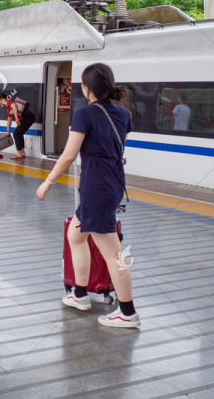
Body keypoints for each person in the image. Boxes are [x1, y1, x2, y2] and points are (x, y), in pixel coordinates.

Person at [36, 63, 139, 328]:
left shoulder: (85, 114)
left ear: (86, 88)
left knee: (113, 253)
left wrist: (48, 181)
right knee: (75, 235)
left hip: (96, 187)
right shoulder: (123, 114)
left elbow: (69, 155)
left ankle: (127, 312)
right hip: (113, 182)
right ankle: (79, 295)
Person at [0, 92, 35, 160]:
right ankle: (22, 153)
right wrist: (8, 131)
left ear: (2, 99)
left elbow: (14, 106)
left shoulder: (9, 101)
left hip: (28, 117)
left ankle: (19, 153)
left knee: (16, 133)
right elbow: (9, 120)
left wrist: (17, 119)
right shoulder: (8, 108)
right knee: (19, 134)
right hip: (28, 118)